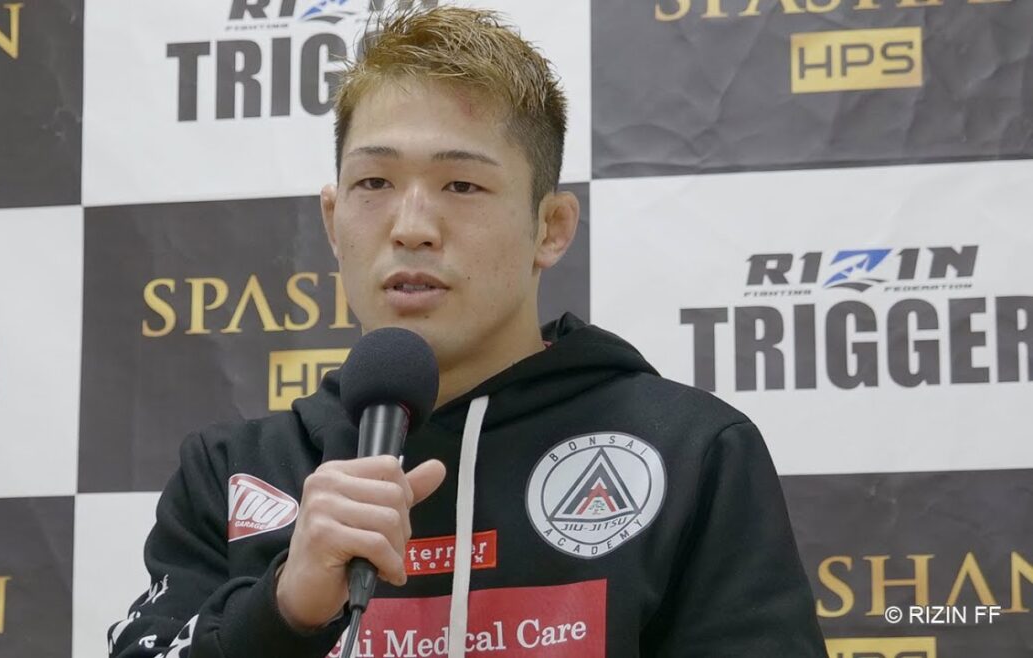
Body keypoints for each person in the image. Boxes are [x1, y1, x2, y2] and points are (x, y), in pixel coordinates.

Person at [108, 6, 828, 657]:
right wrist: (282, 612)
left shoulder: (691, 452)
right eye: (374, 184)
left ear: (551, 227)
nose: (412, 227)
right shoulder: (234, 471)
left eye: (462, 185)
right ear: (332, 219)